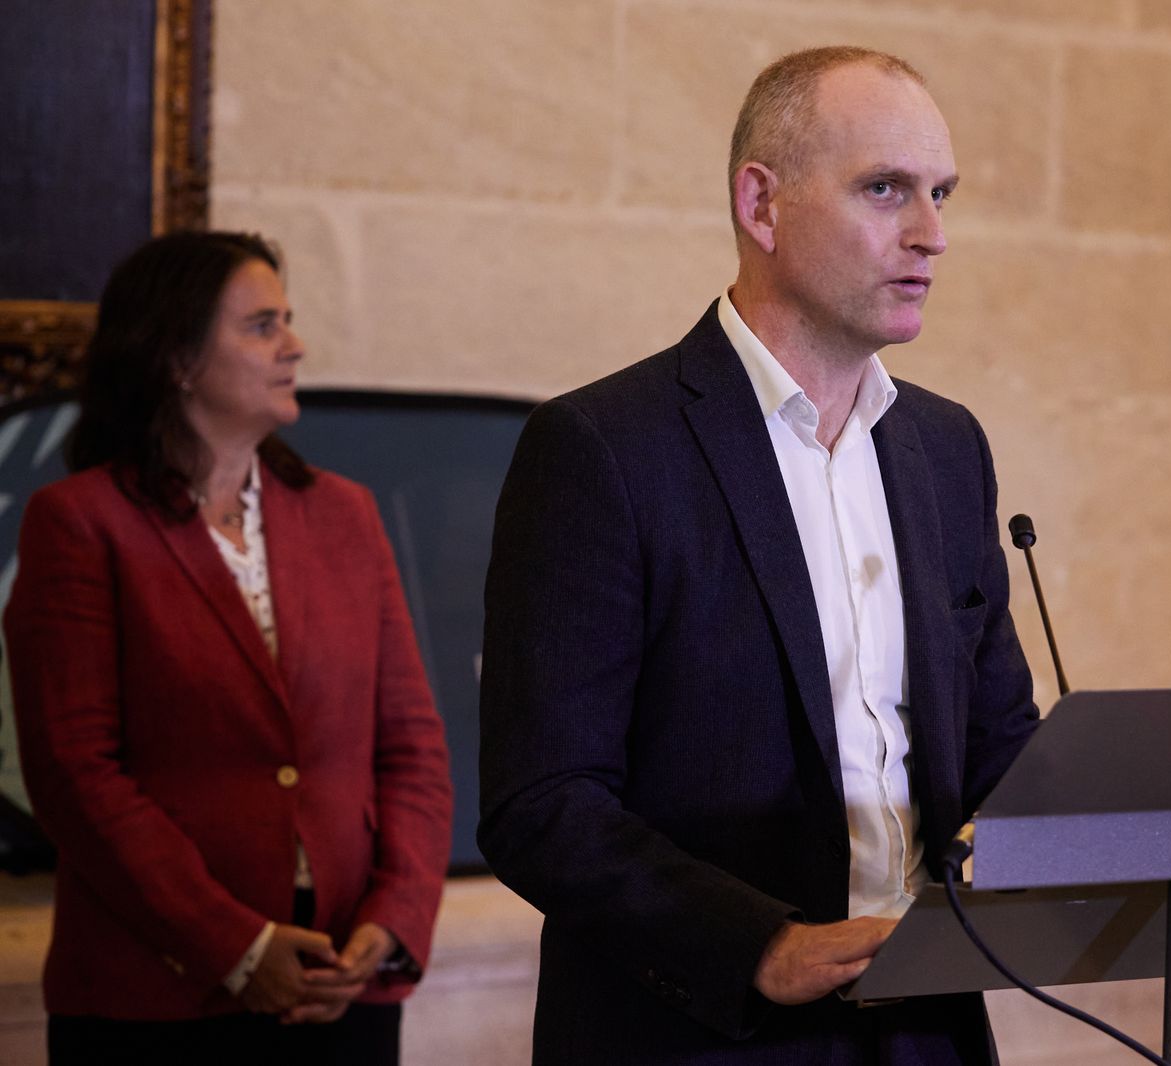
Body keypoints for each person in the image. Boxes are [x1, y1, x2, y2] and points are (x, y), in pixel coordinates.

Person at [479, 45, 1039, 1063]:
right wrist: (759, 946)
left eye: (941, 194)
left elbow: (997, 744)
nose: (932, 234)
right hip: (704, 1030)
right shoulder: (603, 448)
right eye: (885, 189)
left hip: (926, 1028)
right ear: (762, 204)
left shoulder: (947, 449)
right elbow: (542, 802)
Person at [4, 231, 453, 1065]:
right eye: (262, 326)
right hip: (155, 997)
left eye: (287, 320)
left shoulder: (345, 514)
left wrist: (394, 920)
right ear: (177, 358)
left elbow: (413, 746)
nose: (295, 345)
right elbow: (74, 772)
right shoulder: (81, 523)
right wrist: (237, 948)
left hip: (342, 981)